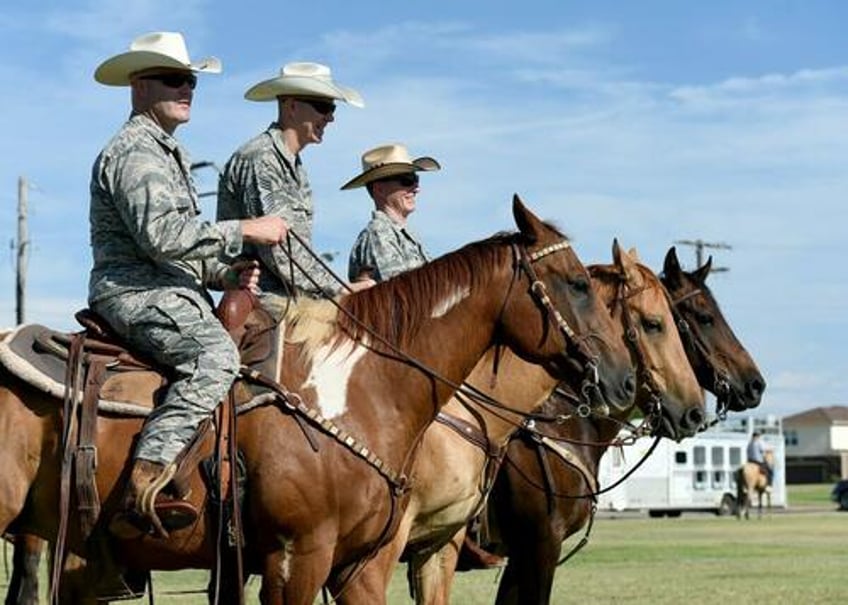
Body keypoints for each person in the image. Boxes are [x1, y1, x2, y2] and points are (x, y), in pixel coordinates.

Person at [89, 32, 288, 538]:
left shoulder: (167, 151)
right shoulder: (135, 152)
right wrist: (247, 228)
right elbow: (163, 237)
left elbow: (179, 252)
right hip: (134, 293)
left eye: (191, 80)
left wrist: (226, 274)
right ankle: (146, 478)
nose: (187, 89)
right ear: (139, 87)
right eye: (175, 79)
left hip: (168, 287)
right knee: (215, 357)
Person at [217, 62, 372, 321]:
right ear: (291, 106)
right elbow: (282, 255)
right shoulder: (261, 159)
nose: (331, 117)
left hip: (291, 301)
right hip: (266, 303)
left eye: (332, 108)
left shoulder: (292, 164)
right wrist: (342, 290)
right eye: (323, 107)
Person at [341, 144, 438, 283]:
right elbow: (402, 297)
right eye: (407, 180)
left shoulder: (403, 235)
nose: (416, 189)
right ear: (379, 189)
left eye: (415, 179)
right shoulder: (379, 234)